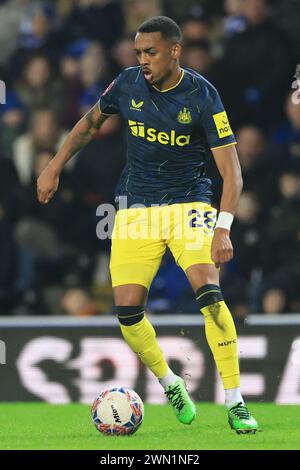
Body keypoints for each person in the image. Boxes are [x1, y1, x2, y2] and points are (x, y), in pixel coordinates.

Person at [37, 16, 258, 434]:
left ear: (175, 50)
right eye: (138, 53)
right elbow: (88, 125)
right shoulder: (126, 84)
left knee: (210, 296)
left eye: (150, 52)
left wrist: (223, 227)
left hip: (189, 203)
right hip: (135, 207)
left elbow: (233, 173)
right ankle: (170, 382)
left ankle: (235, 401)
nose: (142, 60)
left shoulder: (202, 95)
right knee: (127, 313)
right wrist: (53, 166)